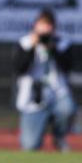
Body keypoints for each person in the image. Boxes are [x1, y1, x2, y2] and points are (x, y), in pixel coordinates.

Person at [14, 9, 75, 152]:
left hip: (57, 92)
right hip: (33, 97)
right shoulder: (25, 43)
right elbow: (19, 68)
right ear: (35, 26)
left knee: (68, 108)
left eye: (48, 26)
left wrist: (52, 49)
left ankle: (59, 136)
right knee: (30, 146)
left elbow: (67, 67)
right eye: (42, 25)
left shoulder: (62, 44)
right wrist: (32, 47)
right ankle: (36, 132)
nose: (45, 30)